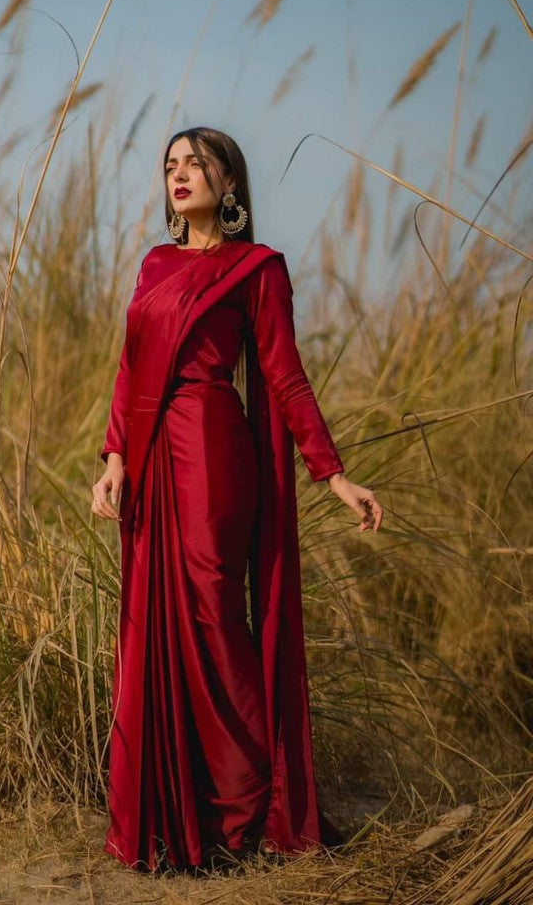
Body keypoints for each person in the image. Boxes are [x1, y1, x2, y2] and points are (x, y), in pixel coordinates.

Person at [91, 126, 383, 872]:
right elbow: (130, 367)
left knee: (214, 616)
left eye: (197, 163)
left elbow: (285, 376)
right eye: (171, 164)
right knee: (154, 624)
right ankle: (185, 809)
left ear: (230, 183)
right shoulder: (155, 264)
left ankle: (253, 797)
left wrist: (333, 473)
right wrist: (114, 459)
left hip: (213, 452)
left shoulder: (256, 268)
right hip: (149, 459)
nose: (180, 173)